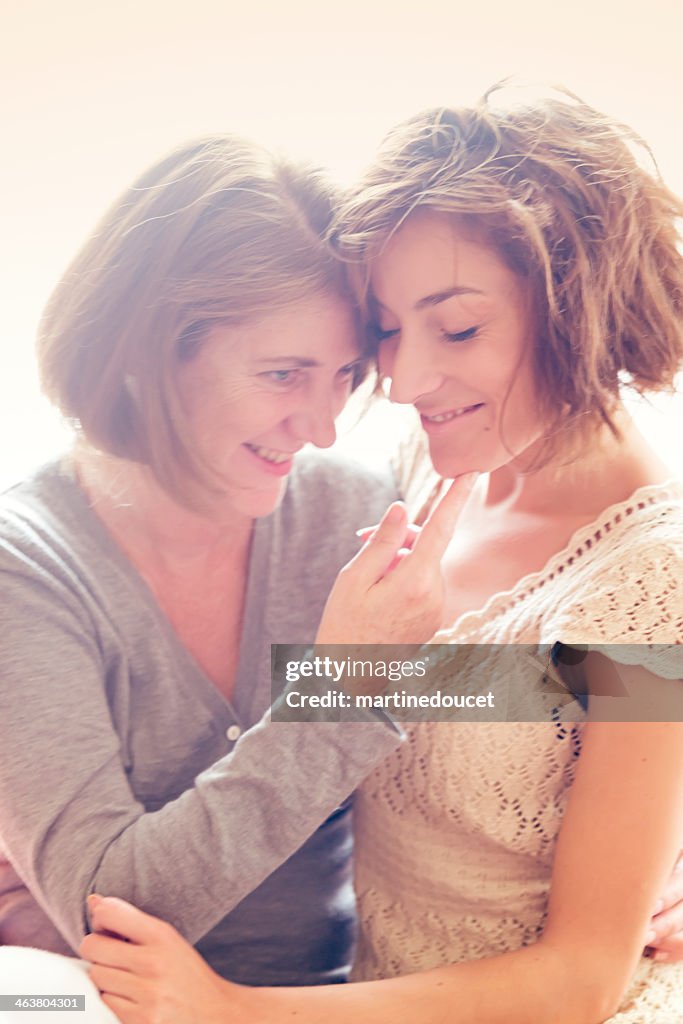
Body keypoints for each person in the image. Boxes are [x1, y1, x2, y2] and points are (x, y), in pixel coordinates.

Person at [80, 86, 683, 1023]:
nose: (400, 381)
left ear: (577, 306)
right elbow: (350, 714)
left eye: (459, 327)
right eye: (390, 330)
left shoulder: (650, 578)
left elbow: (581, 980)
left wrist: (230, 1010)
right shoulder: (431, 470)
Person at [0, 134, 418, 997]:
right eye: (282, 373)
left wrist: (657, 835)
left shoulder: (349, 508)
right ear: (153, 352)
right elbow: (108, 908)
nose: (323, 425)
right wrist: (342, 688)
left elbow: (505, 694)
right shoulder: (28, 565)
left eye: (343, 374)